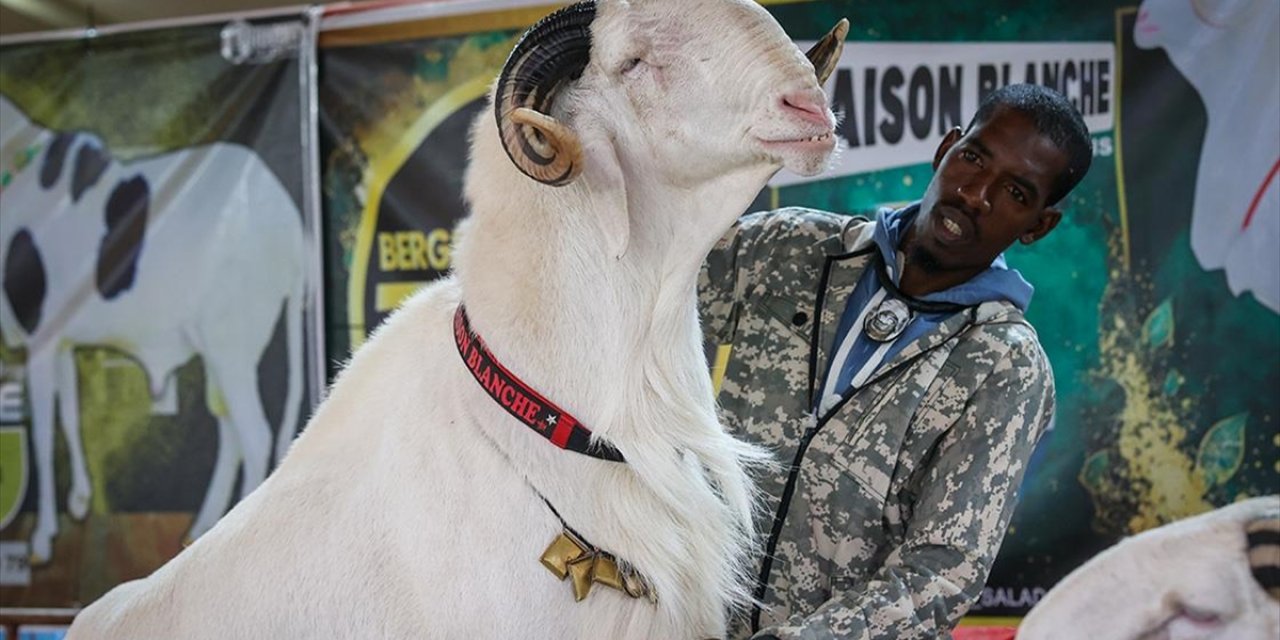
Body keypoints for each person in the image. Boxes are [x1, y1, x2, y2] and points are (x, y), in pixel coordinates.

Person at [698, 83, 1093, 639]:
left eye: (1016, 193)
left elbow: (941, 573)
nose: (976, 194)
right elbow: (640, 302)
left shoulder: (1006, 366)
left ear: (1037, 226)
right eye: (975, 158)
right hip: (679, 619)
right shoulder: (793, 247)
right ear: (946, 149)